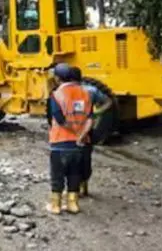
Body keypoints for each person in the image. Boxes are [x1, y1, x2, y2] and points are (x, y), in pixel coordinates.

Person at [47, 62, 93, 215]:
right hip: (79, 144)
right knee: (74, 174)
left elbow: (58, 119)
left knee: (57, 174)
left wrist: (72, 130)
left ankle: (56, 205)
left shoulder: (56, 94)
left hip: (60, 142)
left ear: (58, 78)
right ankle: (73, 204)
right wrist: (80, 135)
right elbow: (90, 119)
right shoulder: (85, 93)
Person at [71, 66, 113, 197]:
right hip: (87, 130)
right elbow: (108, 102)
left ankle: (75, 189)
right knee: (85, 158)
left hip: (71, 130)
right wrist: (96, 113)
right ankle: (84, 186)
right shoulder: (91, 90)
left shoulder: (64, 92)